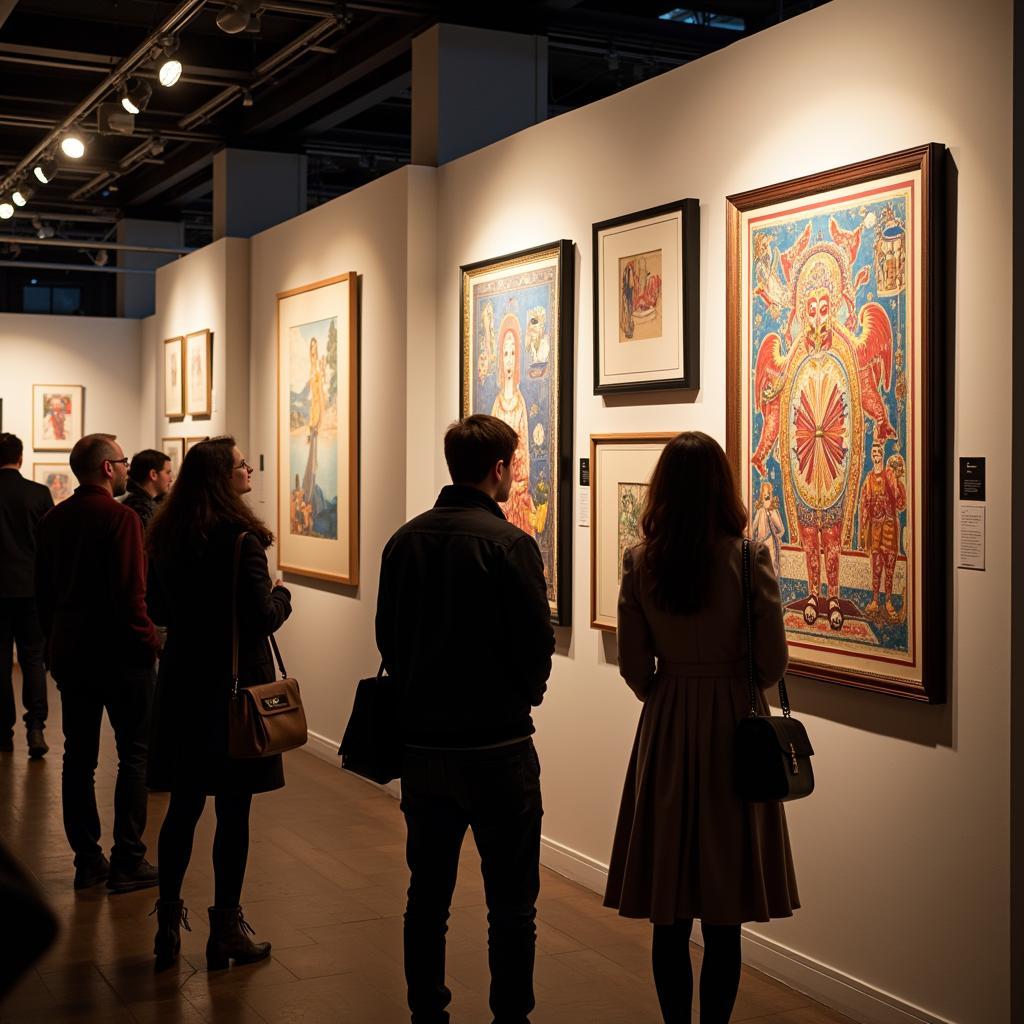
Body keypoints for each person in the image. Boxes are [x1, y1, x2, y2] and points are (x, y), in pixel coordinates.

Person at [603, 431, 799, 1024]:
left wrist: (670, 690)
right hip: (734, 727)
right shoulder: (748, 558)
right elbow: (772, 662)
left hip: (665, 726)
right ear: (722, 486)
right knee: (724, 911)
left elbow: (635, 666)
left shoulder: (642, 561)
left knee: (670, 909)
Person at [376, 413, 555, 1024]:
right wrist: (522, 696)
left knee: (426, 897)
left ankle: (427, 1011)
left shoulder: (404, 540)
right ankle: (511, 1015)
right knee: (512, 904)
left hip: (424, 749)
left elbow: (387, 638)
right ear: (499, 468)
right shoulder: (510, 545)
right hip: (497, 749)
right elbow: (537, 645)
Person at [145, 437, 291, 972]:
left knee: (183, 807)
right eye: (239, 465)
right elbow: (259, 619)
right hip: (233, 695)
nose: (248, 468)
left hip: (184, 687)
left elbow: (158, 606)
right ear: (221, 478)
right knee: (233, 812)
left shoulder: (166, 534)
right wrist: (282, 594)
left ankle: (166, 924)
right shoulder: (241, 540)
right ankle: (225, 930)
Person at [34, 433, 161, 893]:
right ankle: (129, 857)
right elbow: (131, 595)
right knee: (134, 756)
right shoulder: (121, 518)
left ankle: (88, 860)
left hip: (73, 656)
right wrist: (150, 641)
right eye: (123, 461)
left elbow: (43, 595)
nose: (128, 467)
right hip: (122, 658)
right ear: (108, 469)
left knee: (78, 759)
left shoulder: (53, 519)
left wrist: (53, 643)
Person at [0, 432, 53, 758]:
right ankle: (35, 728)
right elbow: (49, 546)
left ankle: (3, 733)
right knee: (33, 660)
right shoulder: (38, 493)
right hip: (31, 590)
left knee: (0, 663)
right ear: (20, 458)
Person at [489, 316, 535, 537]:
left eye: (512, 353)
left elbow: (524, 446)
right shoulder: (497, 403)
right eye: (505, 354)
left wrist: (519, 481)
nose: (509, 360)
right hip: (498, 485)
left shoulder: (520, 402)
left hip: (515, 483)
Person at [122, 449, 173, 529]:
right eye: (167, 472)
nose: (171, 479)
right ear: (153, 474)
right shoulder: (140, 509)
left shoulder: (145, 503)